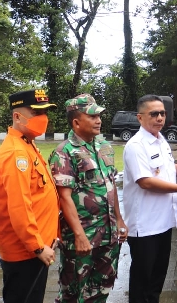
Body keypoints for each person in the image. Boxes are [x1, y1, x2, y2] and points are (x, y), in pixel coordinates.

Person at [48, 94, 127, 302]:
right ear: (76, 122)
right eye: (92, 116)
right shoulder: (64, 152)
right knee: (73, 292)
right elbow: (64, 198)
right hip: (83, 237)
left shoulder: (104, 146)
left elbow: (111, 186)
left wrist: (119, 219)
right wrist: (79, 235)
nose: (98, 120)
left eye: (99, 115)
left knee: (102, 288)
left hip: (108, 234)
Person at [122, 94, 177, 303]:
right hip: (144, 226)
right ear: (140, 117)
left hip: (163, 223)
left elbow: (165, 171)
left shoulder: (160, 139)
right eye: (154, 114)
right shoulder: (137, 145)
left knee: (157, 278)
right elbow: (145, 181)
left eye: (163, 113)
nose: (160, 118)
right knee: (142, 280)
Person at [0, 89, 60, 303]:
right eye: (36, 113)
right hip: (26, 251)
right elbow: (20, 207)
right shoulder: (16, 153)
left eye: (45, 113)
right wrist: (38, 246)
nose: (43, 119)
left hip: (35, 248)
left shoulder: (27, 144)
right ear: (17, 117)